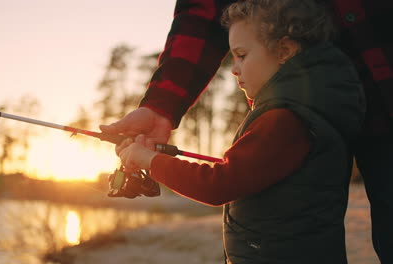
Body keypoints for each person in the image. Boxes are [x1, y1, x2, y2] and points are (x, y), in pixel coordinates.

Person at [101, 0, 393, 262]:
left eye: (241, 55)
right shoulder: (303, 112)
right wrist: (160, 106)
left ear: (285, 51)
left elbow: (218, 185)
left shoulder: (285, 120)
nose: (233, 69)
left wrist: (149, 161)